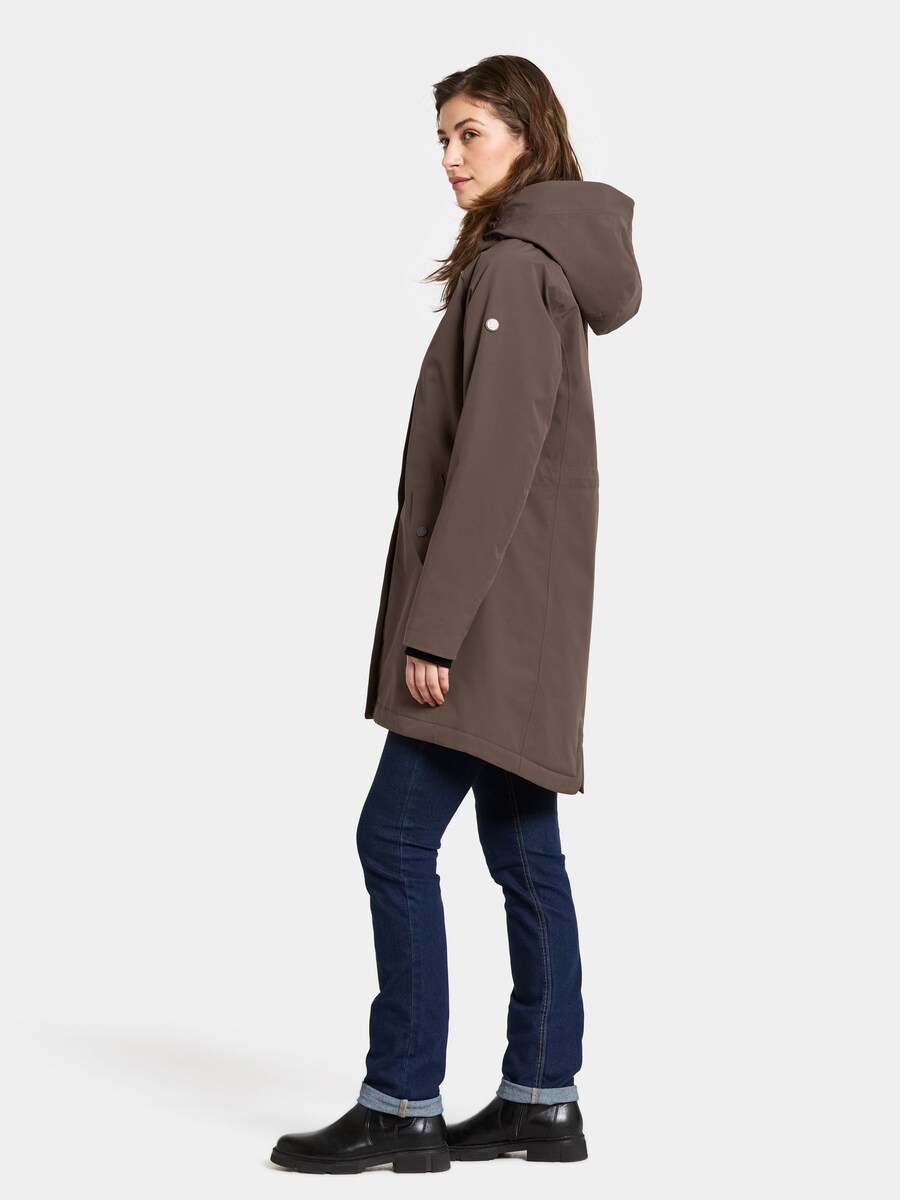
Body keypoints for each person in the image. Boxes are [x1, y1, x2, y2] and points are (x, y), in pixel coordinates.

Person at [270, 54, 642, 1175]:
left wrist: (432, 631)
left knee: (392, 837)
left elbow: (491, 468)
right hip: (523, 618)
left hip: (484, 623)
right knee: (525, 849)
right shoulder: (531, 263)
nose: (449, 157)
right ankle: (541, 1099)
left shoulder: (519, 268)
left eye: (469, 133)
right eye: (441, 137)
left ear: (527, 133)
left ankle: (403, 1101)